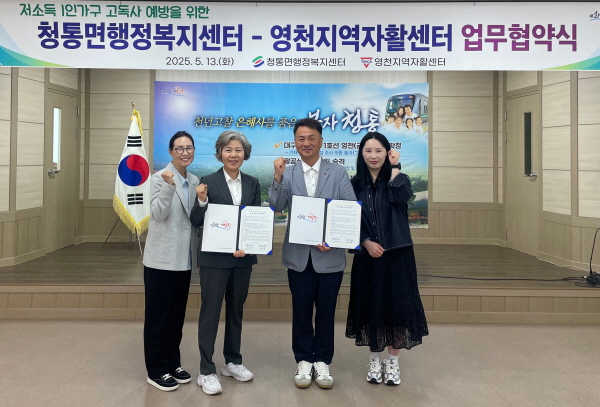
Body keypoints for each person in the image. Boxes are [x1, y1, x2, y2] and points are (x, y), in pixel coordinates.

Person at [269, 118, 356, 389]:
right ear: (295, 142)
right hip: (298, 257)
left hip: (330, 256)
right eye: (301, 138)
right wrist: (277, 177)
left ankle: (323, 361)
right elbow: (277, 206)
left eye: (311, 138)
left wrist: (333, 238)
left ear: (321, 141)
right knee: (302, 310)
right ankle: (304, 359)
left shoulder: (338, 172)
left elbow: (349, 208)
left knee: (327, 312)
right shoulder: (288, 173)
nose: (306, 143)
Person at [345, 131, 428, 386]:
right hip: (367, 256)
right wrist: (366, 242)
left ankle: (393, 362)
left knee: (397, 308)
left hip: (397, 256)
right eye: (368, 151)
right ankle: (374, 360)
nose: (374, 156)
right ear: (361, 154)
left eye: (379, 151)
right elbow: (349, 220)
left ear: (387, 153)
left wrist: (394, 168)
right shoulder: (354, 184)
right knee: (371, 307)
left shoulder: (398, 179)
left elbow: (402, 197)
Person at [190, 130, 261, 396]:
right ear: (220, 153)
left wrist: (248, 245)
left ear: (245, 154)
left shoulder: (253, 183)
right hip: (214, 260)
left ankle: (232, 362)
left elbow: (255, 219)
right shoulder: (207, 181)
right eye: (228, 150)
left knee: (235, 311)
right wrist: (201, 200)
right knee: (210, 312)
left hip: (242, 259)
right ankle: (206, 370)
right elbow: (196, 220)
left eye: (238, 150)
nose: (233, 154)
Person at [142, 131, 199, 391]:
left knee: (176, 317)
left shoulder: (195, 180)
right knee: (158, 318)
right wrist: (168, 186)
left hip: (184, 260)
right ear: (170, 151)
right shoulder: (158, 178)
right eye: (179, 148)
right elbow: (157, 214)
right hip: (161, 261)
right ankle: (155, 370)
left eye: (189, 148)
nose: (185, 152)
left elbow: (194, 218)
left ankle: (173, 363)